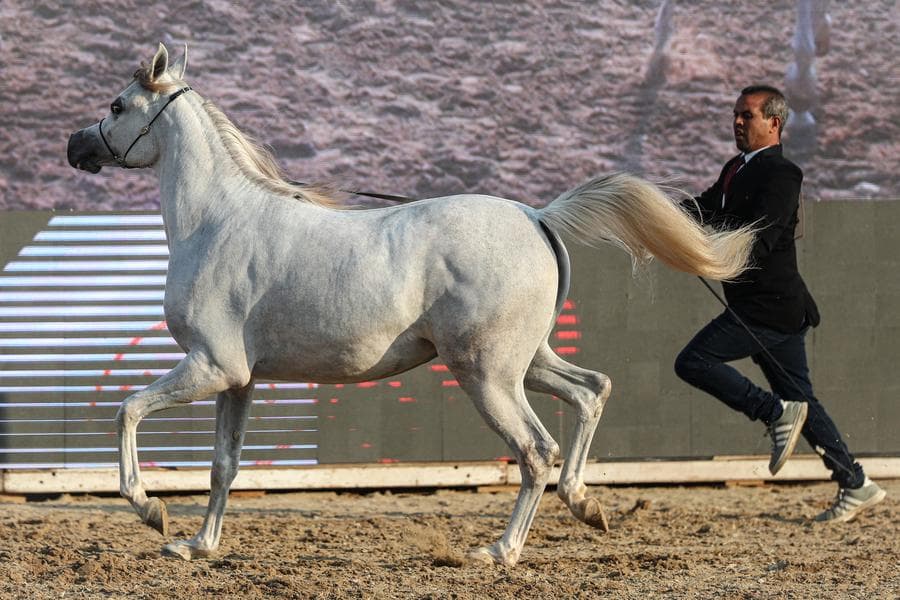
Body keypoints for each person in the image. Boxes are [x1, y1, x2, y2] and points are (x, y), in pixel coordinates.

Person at [674, 85, 886, 522]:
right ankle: (856, 483)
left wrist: (708, 251)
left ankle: (771, 412)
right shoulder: (735, 167)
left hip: (768, 310)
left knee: (693, 363)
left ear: (774, 123)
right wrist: (661, 215)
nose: (736, 122)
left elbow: (763, 238)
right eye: (735, 114)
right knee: (802, 399)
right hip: (770, 308)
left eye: (746, 115)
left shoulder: (783, 174)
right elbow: (708, 210)